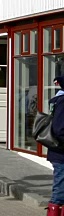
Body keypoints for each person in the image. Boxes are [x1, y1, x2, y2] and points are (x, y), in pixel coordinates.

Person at [47, 76, 64, 216]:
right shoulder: (62, 102)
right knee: (60, 188)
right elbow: (59, 129)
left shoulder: (57, 101)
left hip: (57, 151)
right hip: (60, 152)